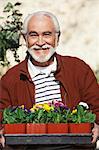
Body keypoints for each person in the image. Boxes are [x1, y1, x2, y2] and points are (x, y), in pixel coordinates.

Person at [0, 11, 99, 149]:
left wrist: (97, 125)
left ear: (57, 38)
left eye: (47, 34)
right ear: (25, 38)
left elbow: (97, 106)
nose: (40, 42)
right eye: (33, 35)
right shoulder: (10, 79)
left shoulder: (78, 69)